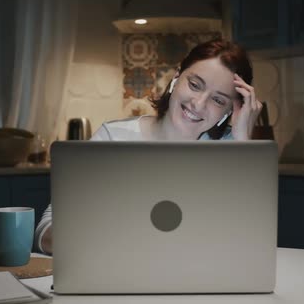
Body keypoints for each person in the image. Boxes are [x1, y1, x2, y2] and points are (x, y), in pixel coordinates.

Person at [35, 38, 262, 254]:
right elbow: (45, 232)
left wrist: (243, 140)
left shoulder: (232, 151)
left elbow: (251, 238)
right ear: (176, 78)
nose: (198, 104)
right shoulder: (113, 138)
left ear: (229, 111)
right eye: (194, 85)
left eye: (218, 100)